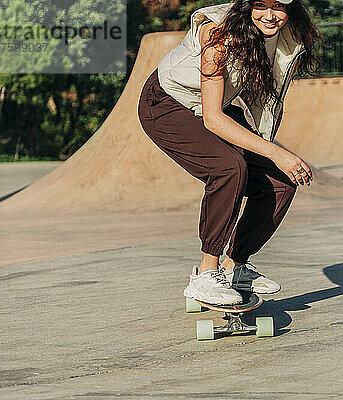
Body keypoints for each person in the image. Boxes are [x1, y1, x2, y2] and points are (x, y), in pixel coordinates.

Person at [137, 0, 321, 305]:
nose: (270, 16)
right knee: (229, 168)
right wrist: (276, 152)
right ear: (247, 5)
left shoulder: (284, 39)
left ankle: (234, 267)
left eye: (279, 7)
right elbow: (212, 118)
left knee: (278, 184)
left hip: (214, 106)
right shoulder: (218, 38)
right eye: (260, 5)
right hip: (166, 105)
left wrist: (269, 155)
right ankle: (206, 275)